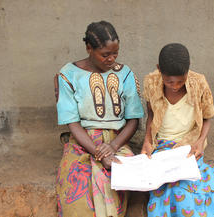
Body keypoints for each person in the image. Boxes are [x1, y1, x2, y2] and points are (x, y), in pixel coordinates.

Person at [141, 43, 214, 217]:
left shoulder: (199, 83)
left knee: (183, 190)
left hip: (188, 145)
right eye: (169, 81)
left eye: (180, 81)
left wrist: (199, 142)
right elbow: (151, 114)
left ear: (188, 71)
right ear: (159, 69)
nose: (175, 86)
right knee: (161, 187)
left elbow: (207, 117)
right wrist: (147, 140)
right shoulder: (151, 82)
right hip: (161, 145)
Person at [55, 21, 144, 217]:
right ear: (89, 48)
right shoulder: (68, 75)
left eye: (115, 53)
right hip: (82, 142)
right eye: (105, 54)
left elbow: (133, 120)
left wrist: (112, 147)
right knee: (78, 185)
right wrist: (98, 153)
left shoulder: (125, 74)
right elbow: (73, 123)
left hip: (117, 141)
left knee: (119, 180)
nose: (111, 59)